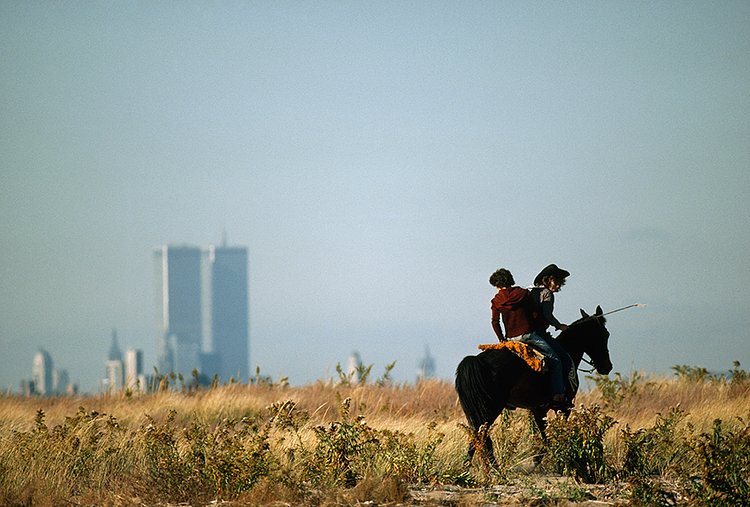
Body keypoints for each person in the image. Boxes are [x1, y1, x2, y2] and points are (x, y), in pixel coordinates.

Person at [489, 268, 571, 409]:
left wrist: (502, 340)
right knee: (556, 361)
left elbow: (495, 322)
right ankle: (558, 395)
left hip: (511, 338)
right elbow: (534, 313)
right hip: (529, 335)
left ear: (497, 285)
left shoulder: (496, 301)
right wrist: (552, 326)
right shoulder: (523, 293)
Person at [529, 264, 575, 398]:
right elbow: (547, 315)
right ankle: (558, 394)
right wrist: (560, 326)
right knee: (562, 360)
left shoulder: (528, 291)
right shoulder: (547, 293)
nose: (559, 286)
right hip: (538, 334)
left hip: (521, 333)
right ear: (548, 280)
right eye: (558, 282)